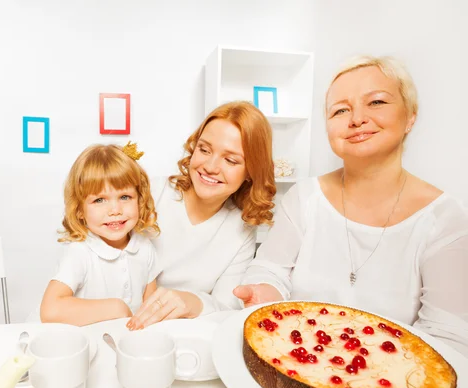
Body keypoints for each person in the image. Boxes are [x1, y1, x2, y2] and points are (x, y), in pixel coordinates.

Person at [234, 56, 468, 356]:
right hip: (299, 360)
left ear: (411, 116)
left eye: (376, 102)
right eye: (340, 110)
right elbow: (269, 271)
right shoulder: (303, 197)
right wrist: (262, 293)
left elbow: (448, 339)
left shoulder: (446, 220)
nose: (356, 118)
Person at [127, 101, 277, 330]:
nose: (210, 166)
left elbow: (226, 307)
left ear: (251, 172)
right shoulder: (150, 194)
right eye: (204, 149)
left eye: (230, 160)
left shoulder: (242, 231)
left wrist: (192, 302)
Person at [39, 143, 161, 326]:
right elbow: (50, 311)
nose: (115, 210)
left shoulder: (144, 247)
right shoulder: (80, 252)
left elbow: (151, 309)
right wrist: (116, 308)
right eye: (99, 200)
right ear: (79, 209)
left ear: (140, 200)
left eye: (125, 197)